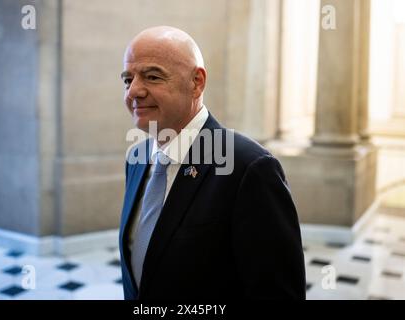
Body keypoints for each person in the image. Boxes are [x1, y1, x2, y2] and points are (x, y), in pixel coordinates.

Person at [119, 26, 305, 300]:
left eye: (152, 76)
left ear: (197, 82)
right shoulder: (136, 158)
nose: (134, 91)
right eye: (127, 79)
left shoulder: (250, 168)